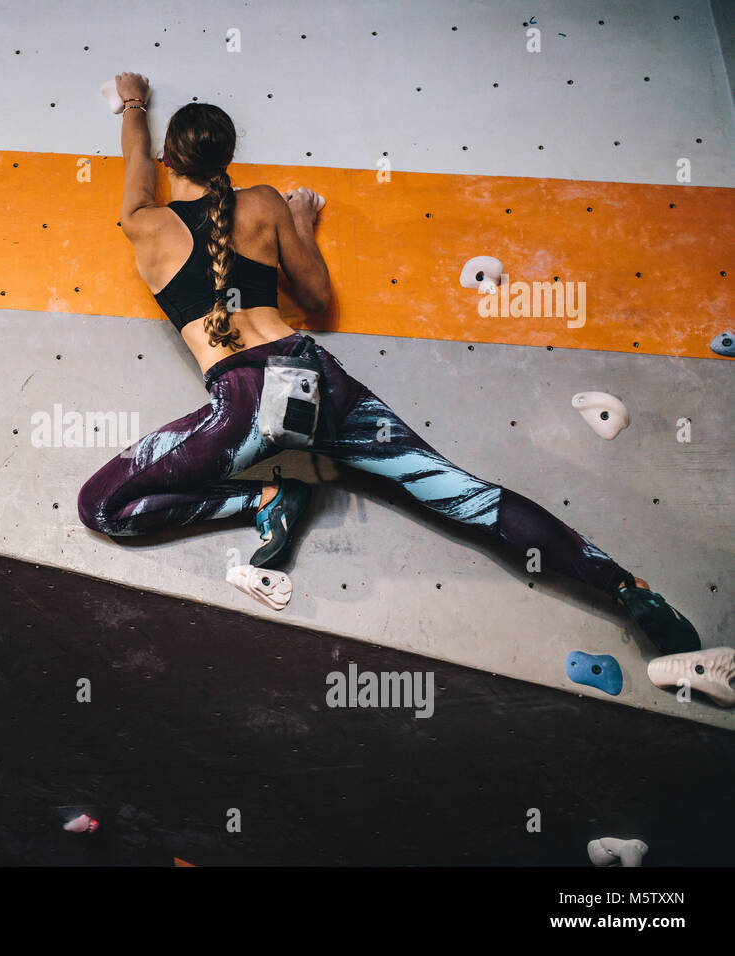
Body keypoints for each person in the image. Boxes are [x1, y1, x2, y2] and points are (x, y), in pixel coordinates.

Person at [76, 72, 701, 658]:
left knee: (103, 507)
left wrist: (134, 103)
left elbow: (135, 167)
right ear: (227, 161)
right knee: (462, 493)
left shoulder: (143, 224)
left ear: (168, 161)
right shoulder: (265, 203)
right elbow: (317, 301)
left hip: (248, 405)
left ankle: (266, 496)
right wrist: (299, 224)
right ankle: (629, 589)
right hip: (318, 377)